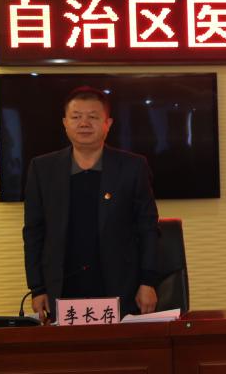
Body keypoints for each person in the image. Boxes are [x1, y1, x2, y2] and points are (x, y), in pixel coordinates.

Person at [23, 86, 160, 319]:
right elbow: (34, 232)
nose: (84, 123)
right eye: (76, 117)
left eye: (93, 117)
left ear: (108, 123)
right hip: (62, 287)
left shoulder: (133, 167)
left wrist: (148, 281)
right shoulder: (42, 169)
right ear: (65, 123)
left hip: (121, 286)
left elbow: (148, 228)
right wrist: (37, 288)